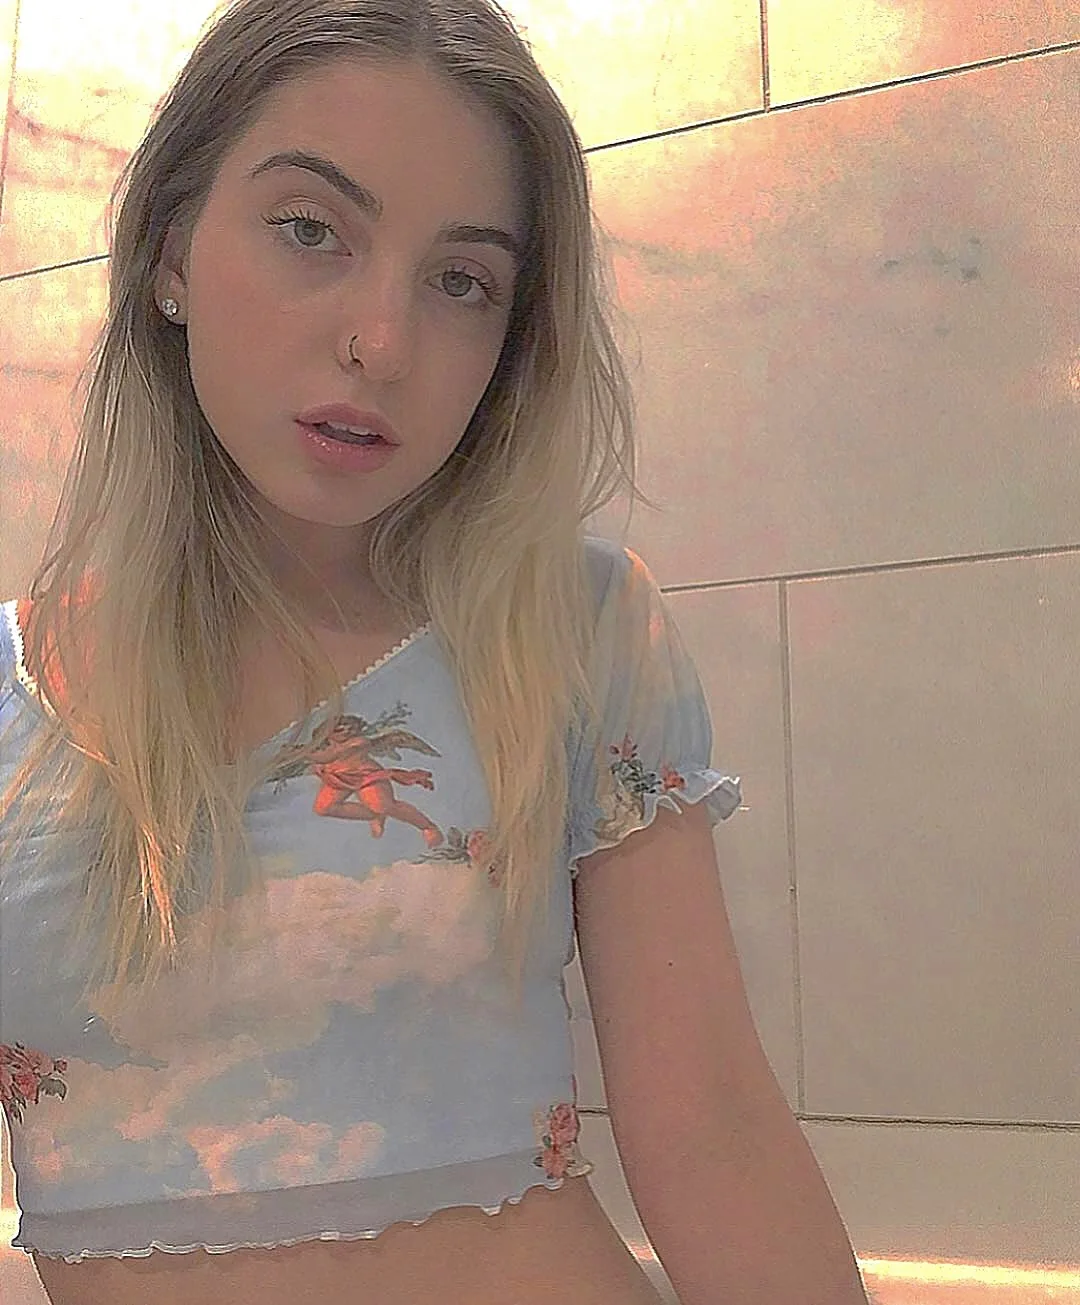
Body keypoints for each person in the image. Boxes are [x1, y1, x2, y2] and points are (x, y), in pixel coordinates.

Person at [0, 3, 871, 1304]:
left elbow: (715, 1136)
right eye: (311, 229)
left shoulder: (570, 633)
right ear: (171, 249)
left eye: (462, 281)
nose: (384, 342)